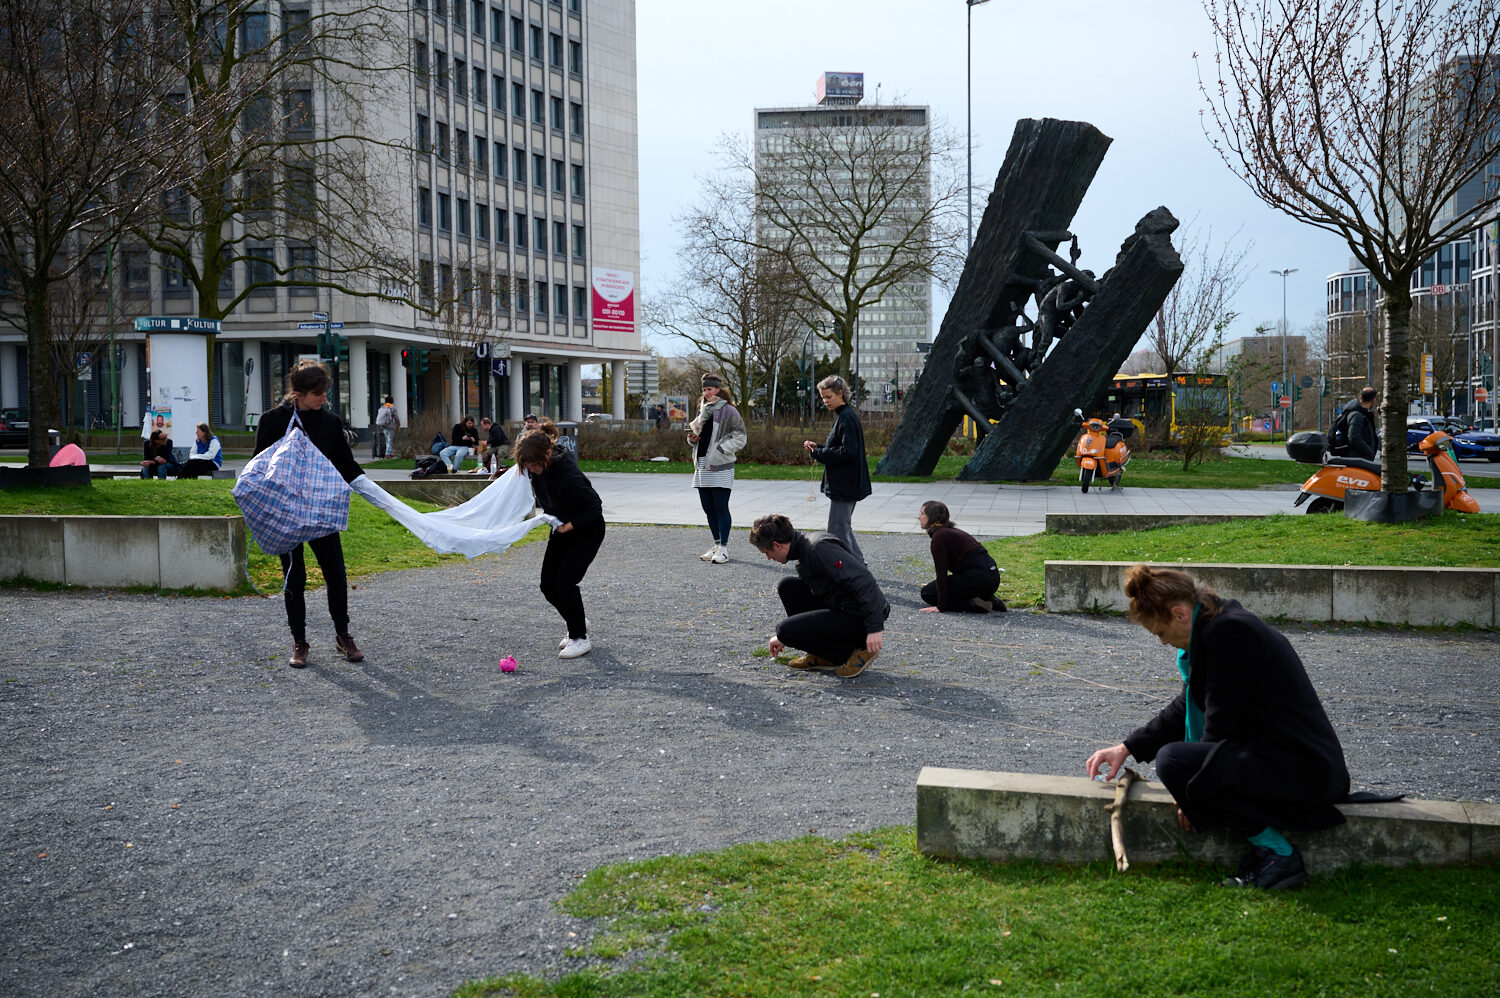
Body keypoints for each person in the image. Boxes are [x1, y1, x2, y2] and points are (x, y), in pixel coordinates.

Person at [1083, 565, 1351, 891]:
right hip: (1286, 761)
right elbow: (1189, 704)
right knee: (1178, 760)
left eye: (1160, 633)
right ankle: (1265, 852)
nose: (1164, 643)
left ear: (1179, 614)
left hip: (1305, 771)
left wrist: (1195, 787)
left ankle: (1281, 856)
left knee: (1174, 761)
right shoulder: (1216, 625)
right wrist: (1126, 748)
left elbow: (1221, 726)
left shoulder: (1230, 635)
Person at [254, 361, 367, 668]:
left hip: (321, 513)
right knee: (295, 578)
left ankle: (343, 635)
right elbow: (259, 466)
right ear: (299, 393)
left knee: (336, 575)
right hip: (286, 515)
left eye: (324, 393)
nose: (324, 399)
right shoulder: (273, 421)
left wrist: (375, 492)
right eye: (318, 394)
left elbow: (346, 464)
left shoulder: (329, 423)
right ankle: (299, 642)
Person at [750, 514, 888, 678]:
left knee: (784, 630)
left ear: (777, 545)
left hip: (859, 616)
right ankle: (825, 656)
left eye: (766, 552)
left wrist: (874, 629)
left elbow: (865, 582)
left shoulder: (819, 548)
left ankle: (856, 650)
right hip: (841, 605)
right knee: (788, 587)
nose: (768, 558)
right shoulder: (802, 548)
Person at [515, 429, 605, 659]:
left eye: (534, 465)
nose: (532, 470)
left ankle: (579, 638)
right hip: (561, 528)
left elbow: (594, 508)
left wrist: (568, 526)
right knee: (548, 585)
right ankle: (577, 619)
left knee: (565, 581)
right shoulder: (537, 467)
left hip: (587, 529)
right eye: (528, 466)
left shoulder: (568, 476)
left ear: (547, 453)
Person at [803, 375, 871, 562]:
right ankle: (857, 564)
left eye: (828, 397)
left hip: (845, 484)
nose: (825, 401)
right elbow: (842, 448)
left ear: (840, 393)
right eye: (823, 397)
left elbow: (848, 452)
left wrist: (819, 453)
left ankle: (853, 567)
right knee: (841, 528)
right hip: (847, 483)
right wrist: (819, 448)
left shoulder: (846, 417)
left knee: (837, 530)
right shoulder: (845, 415)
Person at [686, 373, 747, 564]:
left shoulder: (729, 411)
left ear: (718, 389)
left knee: (720, 507)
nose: (707, 393)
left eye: (710, 389)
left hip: (720, 464)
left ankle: (724, 549)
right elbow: (699, 435)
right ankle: (716, 544)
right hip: (702, 464)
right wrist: (692, 439)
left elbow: (740, 437)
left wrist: (721, 449)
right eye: (704, 390)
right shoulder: (702, 411)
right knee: (708, 507)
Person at [916, 501, 1005, 613]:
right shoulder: (950, 532)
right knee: (946, 587)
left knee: (928, 593)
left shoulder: (939, 537)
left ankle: (975, 604)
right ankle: (988, 598)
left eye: (922, 513)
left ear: (932, 517)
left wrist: (941, 606)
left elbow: (941, 574)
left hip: (979, 579)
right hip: (991, 579)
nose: (919, 517)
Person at [1344, 386, 1379, 461]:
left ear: (1360, 397)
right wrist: (1369, 452)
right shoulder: (1358, 415)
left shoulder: (1357, 413)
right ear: (1373, 399)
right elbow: (1354, 437)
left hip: (1357, 457)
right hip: (1358, 459)